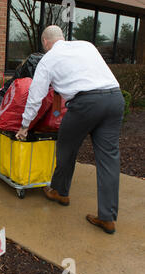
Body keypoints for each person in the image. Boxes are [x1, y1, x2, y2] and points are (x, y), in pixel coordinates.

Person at [15, 25, 124, 235]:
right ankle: (107, 218)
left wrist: (25, 125)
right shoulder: (86, 46)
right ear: (63, 38)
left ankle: (60, 192)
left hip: (86, 103)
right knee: (109, 159)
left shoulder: (48, 59)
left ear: (45, 42)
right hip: (115, 98)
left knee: (66, 147)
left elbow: (36, 95)